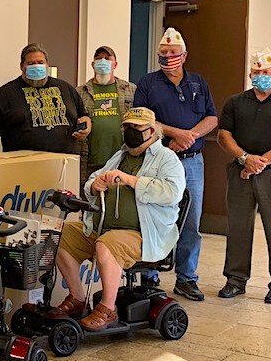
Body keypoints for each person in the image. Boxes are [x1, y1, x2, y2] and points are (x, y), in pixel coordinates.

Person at [55, 107, 185, 330]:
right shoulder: (121, 155)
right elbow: (94, 179)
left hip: (144, 233)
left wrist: (132, 181)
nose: (130, 132)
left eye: (136, 128)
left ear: (152, 130)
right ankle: (77, 297)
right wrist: (94, 186)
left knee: (108, 244)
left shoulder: (167, 159)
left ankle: (107, 309)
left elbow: (173, 192)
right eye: (126, 127)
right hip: (105, 227)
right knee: (61, 234)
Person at [133, 27, 217, 302]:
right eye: (164, 53)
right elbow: (142, 120)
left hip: (192, 161)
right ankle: (150, 277)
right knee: (154, 216)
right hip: (158, 160)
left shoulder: (198, 82)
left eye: (174, 53)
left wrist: (188, 136)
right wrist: (173, 133)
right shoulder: (147, 83)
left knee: (190, 220)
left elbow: (212, 118)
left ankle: (186, 278)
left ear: (184, 55)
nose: (169, 57)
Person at [217, 48, 271, 304]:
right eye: (256, 72)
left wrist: (260, 163)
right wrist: (245, 159)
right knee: (238, 227)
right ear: (250, 74)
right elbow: (224, 136)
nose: (261, 76)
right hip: (240, 171)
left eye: (266, 73)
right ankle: (235, 280)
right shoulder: (235, 102)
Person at [0, 43, 91, 154]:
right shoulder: (7, 93)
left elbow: (84, 115)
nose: (37, 66)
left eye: (40, 63)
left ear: (47, 64)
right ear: (21, 66)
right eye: (31, 63)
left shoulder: (65, 88)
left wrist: (86, 127)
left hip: (64, 162)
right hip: (23, 164)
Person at [77, 45, 137, 192]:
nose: (103, 61)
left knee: (118, 204)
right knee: (90, 204)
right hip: (91, 161)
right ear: (93, 64)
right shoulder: (80, 92)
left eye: (107, 58)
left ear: (115, 64)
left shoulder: (130, 89)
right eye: (98, 59)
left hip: (122, 160)